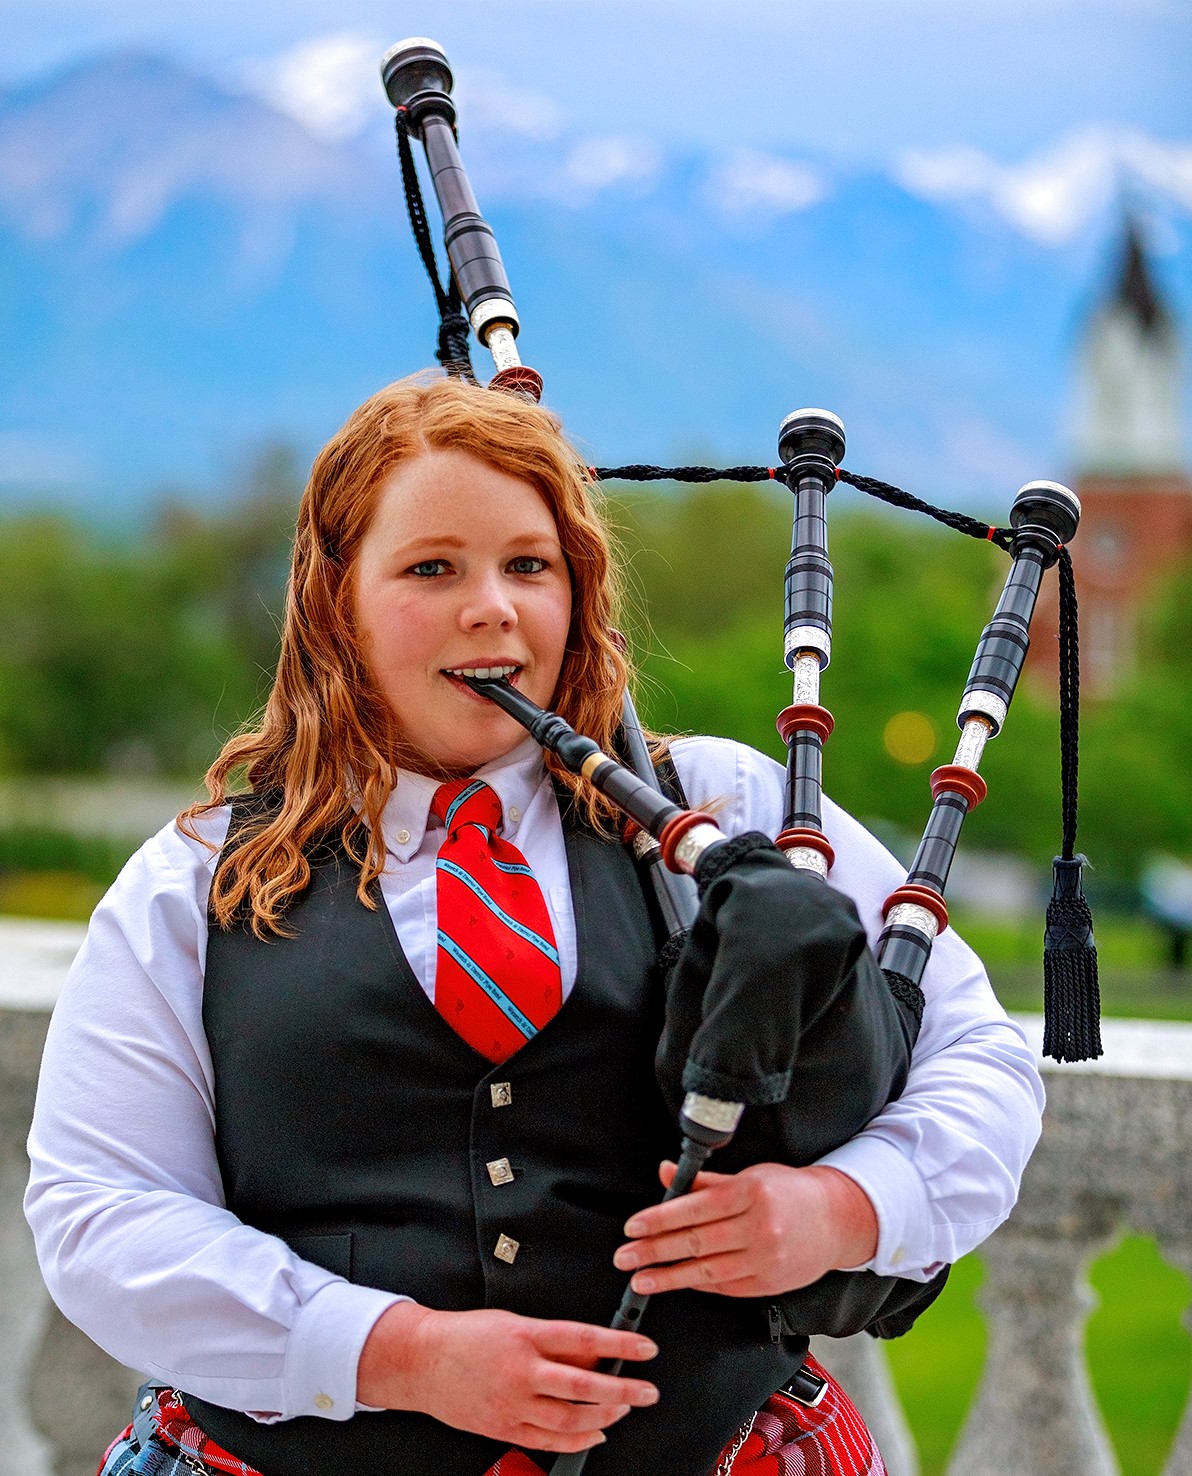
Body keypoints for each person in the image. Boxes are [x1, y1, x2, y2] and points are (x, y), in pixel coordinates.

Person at [25, 374, 1044, 1476]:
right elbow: (100, 1213)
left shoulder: (726, 811)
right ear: (335, 603)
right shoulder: (193, 884)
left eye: (528, 566)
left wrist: (843, 1208)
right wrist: (394, 1353)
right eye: (431, 569)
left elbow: (977, 1057)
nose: (492, 609)